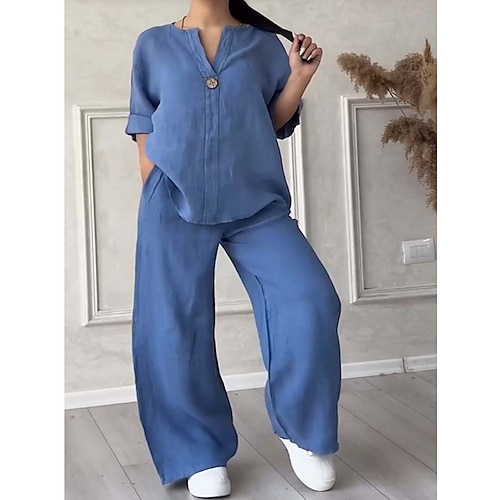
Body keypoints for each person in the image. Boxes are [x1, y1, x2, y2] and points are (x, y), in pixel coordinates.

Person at [125, 0, 342, 497]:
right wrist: (153, 189)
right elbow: (144, 125)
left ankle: (302, 432)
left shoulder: (263, 45)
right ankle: (196, 451)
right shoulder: (152, 44)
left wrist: (299, 76)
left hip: (255, 200)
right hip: (172, 198)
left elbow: (272, 120)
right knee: (173, 325)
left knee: (308, 298)